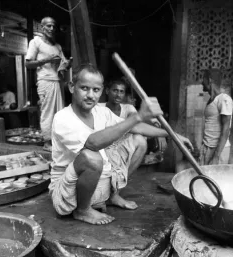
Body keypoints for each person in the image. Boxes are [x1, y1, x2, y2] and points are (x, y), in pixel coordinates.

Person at [49, 64, 193, 225]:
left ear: (101, 91)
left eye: (95, 90)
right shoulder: (62, 118)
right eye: (84, 88)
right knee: (92, 157)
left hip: (99, 186)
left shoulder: (100, 112)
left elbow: (134, 127)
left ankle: (113, 194)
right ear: (71, 87)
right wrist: (138, 116)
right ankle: (82, 210)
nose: (90, 95)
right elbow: (92, 143)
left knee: (139, 141)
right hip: (68, 193)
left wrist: (172, 135)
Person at [25, 16, 72, 152]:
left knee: (60, 113)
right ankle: (47, 141)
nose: (51, 29)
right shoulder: (36, 42)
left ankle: (57, 141)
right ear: (42, 27)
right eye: (49, 26)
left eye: (53, 26)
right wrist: (47, 60)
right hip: (45, 81)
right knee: (48, 112)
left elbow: (63, 66)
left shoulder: (57, 47)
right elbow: (28, 63)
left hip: (57, 81)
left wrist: (67, 64)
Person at [200, 69, 233, 165]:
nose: (202, 82)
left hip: (218, 150)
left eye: (203, 79)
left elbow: (226, 130)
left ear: (209, 80)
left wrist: (216, 157)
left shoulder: (224, 99)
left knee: (215, 180)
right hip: (207, 147)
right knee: (203, 178)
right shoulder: (211, 99)